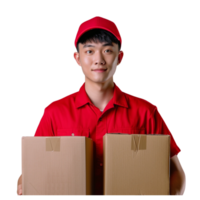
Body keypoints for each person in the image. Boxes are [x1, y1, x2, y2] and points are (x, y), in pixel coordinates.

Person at [15, 16, 188, 196]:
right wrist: (22, 184)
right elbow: (31, 172)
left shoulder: (146, 112)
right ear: (77, 58)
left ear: (120, 57)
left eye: (107, 50)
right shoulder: (54, 113)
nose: (99, 59)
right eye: (89, 51)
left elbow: (177, 173)